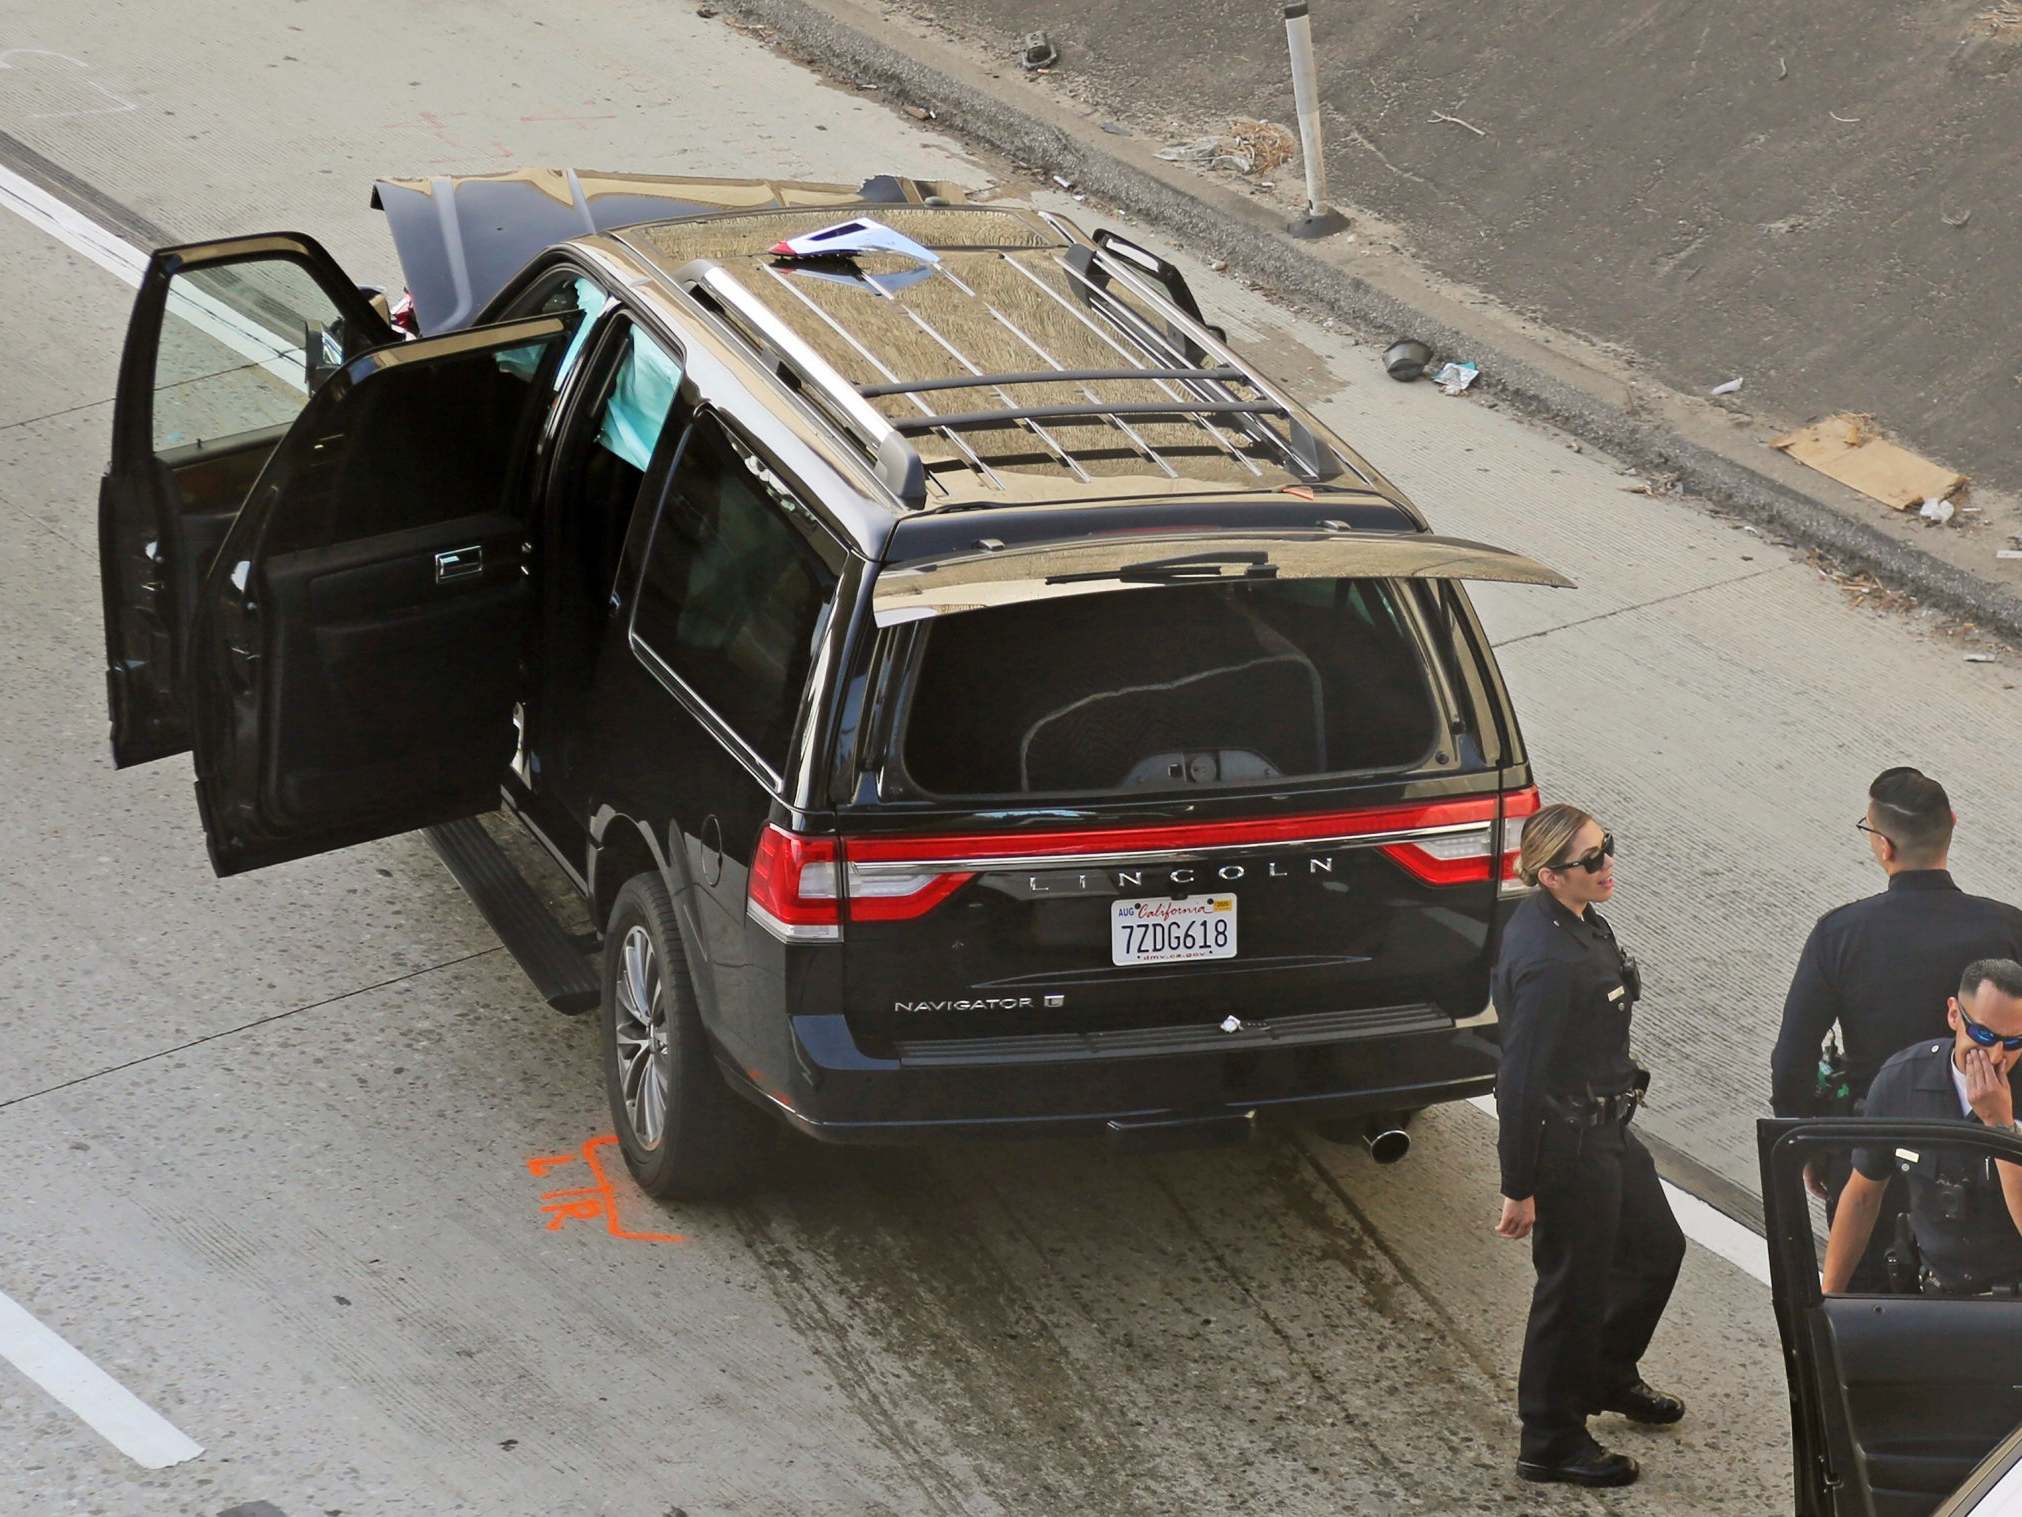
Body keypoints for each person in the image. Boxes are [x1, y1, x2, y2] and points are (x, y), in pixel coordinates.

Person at [1492, 803, 1686, 1489]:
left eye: (1607, 846)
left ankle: (1605, 1371)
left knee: (1657, 1247)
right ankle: (1549, 1437)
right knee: (1571, 1290)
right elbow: (1516, 1079)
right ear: (1549, 875)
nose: (1607, 864)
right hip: (1567, 1144)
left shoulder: (1574, 919)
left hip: (1607, 1128)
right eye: (1590, 859)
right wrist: (1519, 1183)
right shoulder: (1547, 961)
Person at [1771, 767, 2022, 1288]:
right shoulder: (2009, 929)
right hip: (1993, 1163)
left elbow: (1792, 1057)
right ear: (1951, 825)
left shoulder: (1840, 934)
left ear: (1884, 846)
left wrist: (1813, 1144)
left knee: (1866, 1316)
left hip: (1873, 1148)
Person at [1819, 959, 2022, 1295]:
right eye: (1984, 1034)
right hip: (1936, 1295)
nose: (1997, 1054)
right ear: (1954, 1015)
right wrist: (1826, 1299)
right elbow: (1862, 1196)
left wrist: (2000, 1127)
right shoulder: (1903, 1079)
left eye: (2014, 1042)